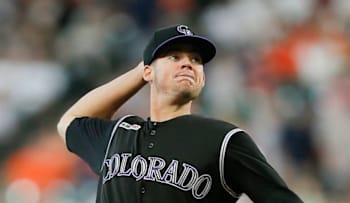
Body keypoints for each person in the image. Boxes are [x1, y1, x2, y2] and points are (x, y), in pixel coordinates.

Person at [57, 24, 304, 203]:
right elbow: (69, 121)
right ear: (147, 73)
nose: (187, 63)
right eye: (174, 56)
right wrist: (141, 70)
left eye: (196, 60)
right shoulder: (118, 135)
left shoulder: (223, 139)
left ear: (203, 78)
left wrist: (153, 65)